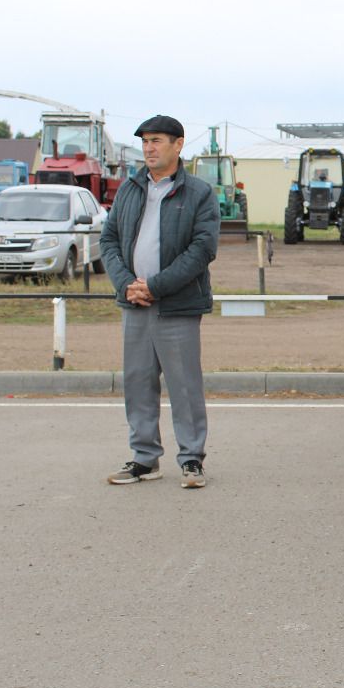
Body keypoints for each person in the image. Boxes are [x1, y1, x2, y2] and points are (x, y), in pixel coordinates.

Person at [101, 115, 220, 489]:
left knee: (184, 384)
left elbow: (201, 250)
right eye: (145, 142)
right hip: (134, 304)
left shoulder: (198, 193)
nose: (149, 148)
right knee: (138, 382)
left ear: (178, 144)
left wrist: (155, 286)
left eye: (156, 141)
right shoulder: (129, 189)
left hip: (176, 305)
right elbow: (109, 240)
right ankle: (144, 458)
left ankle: (191, 460)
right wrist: (127, 286)